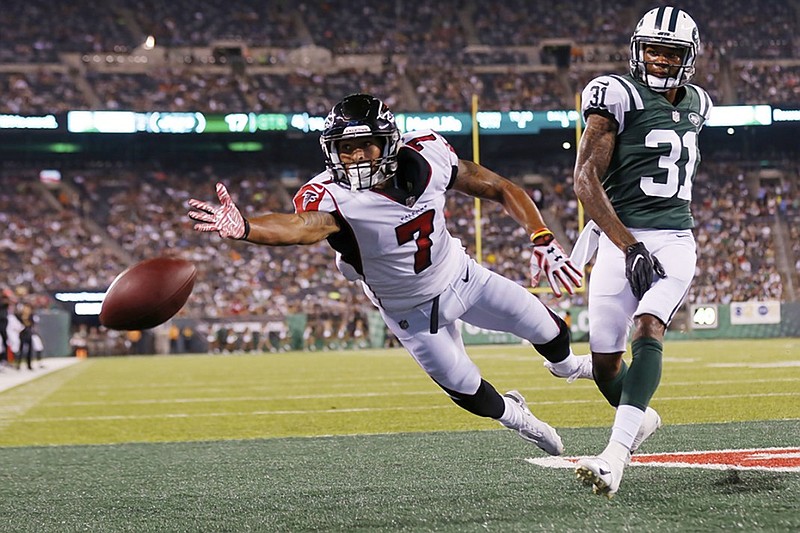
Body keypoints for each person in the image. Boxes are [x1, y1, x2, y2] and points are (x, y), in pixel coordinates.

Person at [189, 93, 591, 456]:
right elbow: (299, 227)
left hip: (461, 275)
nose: (358, 156)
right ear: (333, 152)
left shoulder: (429, 156)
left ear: (389, 142)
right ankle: (519, 418)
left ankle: (567, 368)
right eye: (346, 149)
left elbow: (499, 187)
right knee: (469, 392)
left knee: (552, 331)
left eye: (367, 145)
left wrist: (542, 237)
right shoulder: (331, 195)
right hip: (410, 311)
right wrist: (247, 228)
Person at [571, 6, 713, 497]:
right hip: (621, 238)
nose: (657, 59)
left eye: (669, 51)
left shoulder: (700, 102)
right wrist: (620, 243)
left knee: (649, 325)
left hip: (673, 238)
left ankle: (615, 457)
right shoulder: (615, 94)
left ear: (688, 57)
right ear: (637, 49)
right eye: (651, 49)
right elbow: (585, 179)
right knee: (606, 365)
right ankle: (641, 417)